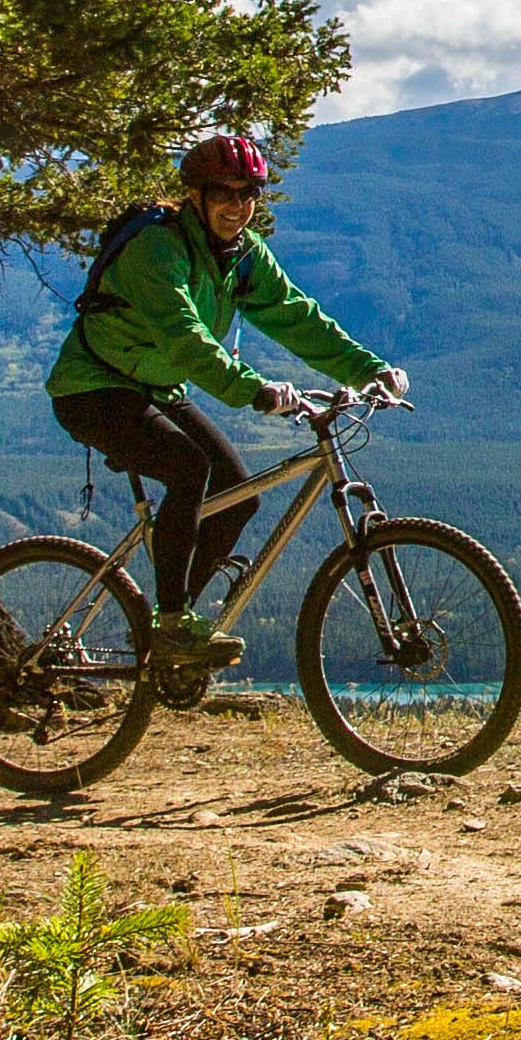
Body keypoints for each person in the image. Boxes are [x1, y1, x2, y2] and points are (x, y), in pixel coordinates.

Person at [49, 131, 407, 688]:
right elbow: (186, 340)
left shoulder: (244, 257)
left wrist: (369, 369)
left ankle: (173, 630)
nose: (237, 207)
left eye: (249, 195)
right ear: (196, 194)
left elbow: (297, 317)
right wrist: (254, 389)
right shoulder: (157, 249)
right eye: (224, 194)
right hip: (94, 389)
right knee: (189, 469)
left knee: (236, 496)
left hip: (156, 389)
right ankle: (171, 622)